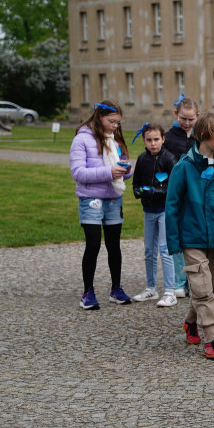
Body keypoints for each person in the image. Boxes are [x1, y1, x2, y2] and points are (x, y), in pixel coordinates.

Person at [165, 111, 214, 360]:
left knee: (210, 286)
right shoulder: (183, 168)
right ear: (205, 135)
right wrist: (174, 242)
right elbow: (172, 207)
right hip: (191, 238)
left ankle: (190, 322)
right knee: (203, 289)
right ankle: (211, 339)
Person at [69, 101, 135, 310]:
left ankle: (116, 288)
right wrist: (109, 173)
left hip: (114, 198)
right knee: (94, 244)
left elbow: (121, 164)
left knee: (114, 245)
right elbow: (78, 173)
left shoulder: (114, 140)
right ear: (99, 118)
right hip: (91, 200)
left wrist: (126, 169)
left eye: (118, 122)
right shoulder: (82, 140)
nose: (115, 125)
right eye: (111, 121)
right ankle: (88, 291)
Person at [131, 122, 179, 307]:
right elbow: (136, 183)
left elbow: (173, 187)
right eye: (149, 140)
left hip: (164, 211)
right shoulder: (142, 159)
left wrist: (154, 191)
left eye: (156, 139)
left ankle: (170, 290)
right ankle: (151, 288)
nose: (153, 143)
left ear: (163, 139)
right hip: (148, 211)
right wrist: (138, 192)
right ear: (144, 140)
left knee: (165, 249)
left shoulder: (169, 159)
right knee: (149, 251)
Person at [164, 95, 199, 299]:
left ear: (197, 117)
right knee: (176, 236)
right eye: (183, 118)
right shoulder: (168, 138)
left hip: (195, 193)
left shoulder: (199, 137)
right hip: (176, 192)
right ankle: (179, 280)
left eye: (190, 119)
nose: (186, 123)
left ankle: (194, 279)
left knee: (193, 237)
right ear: (176, 115)